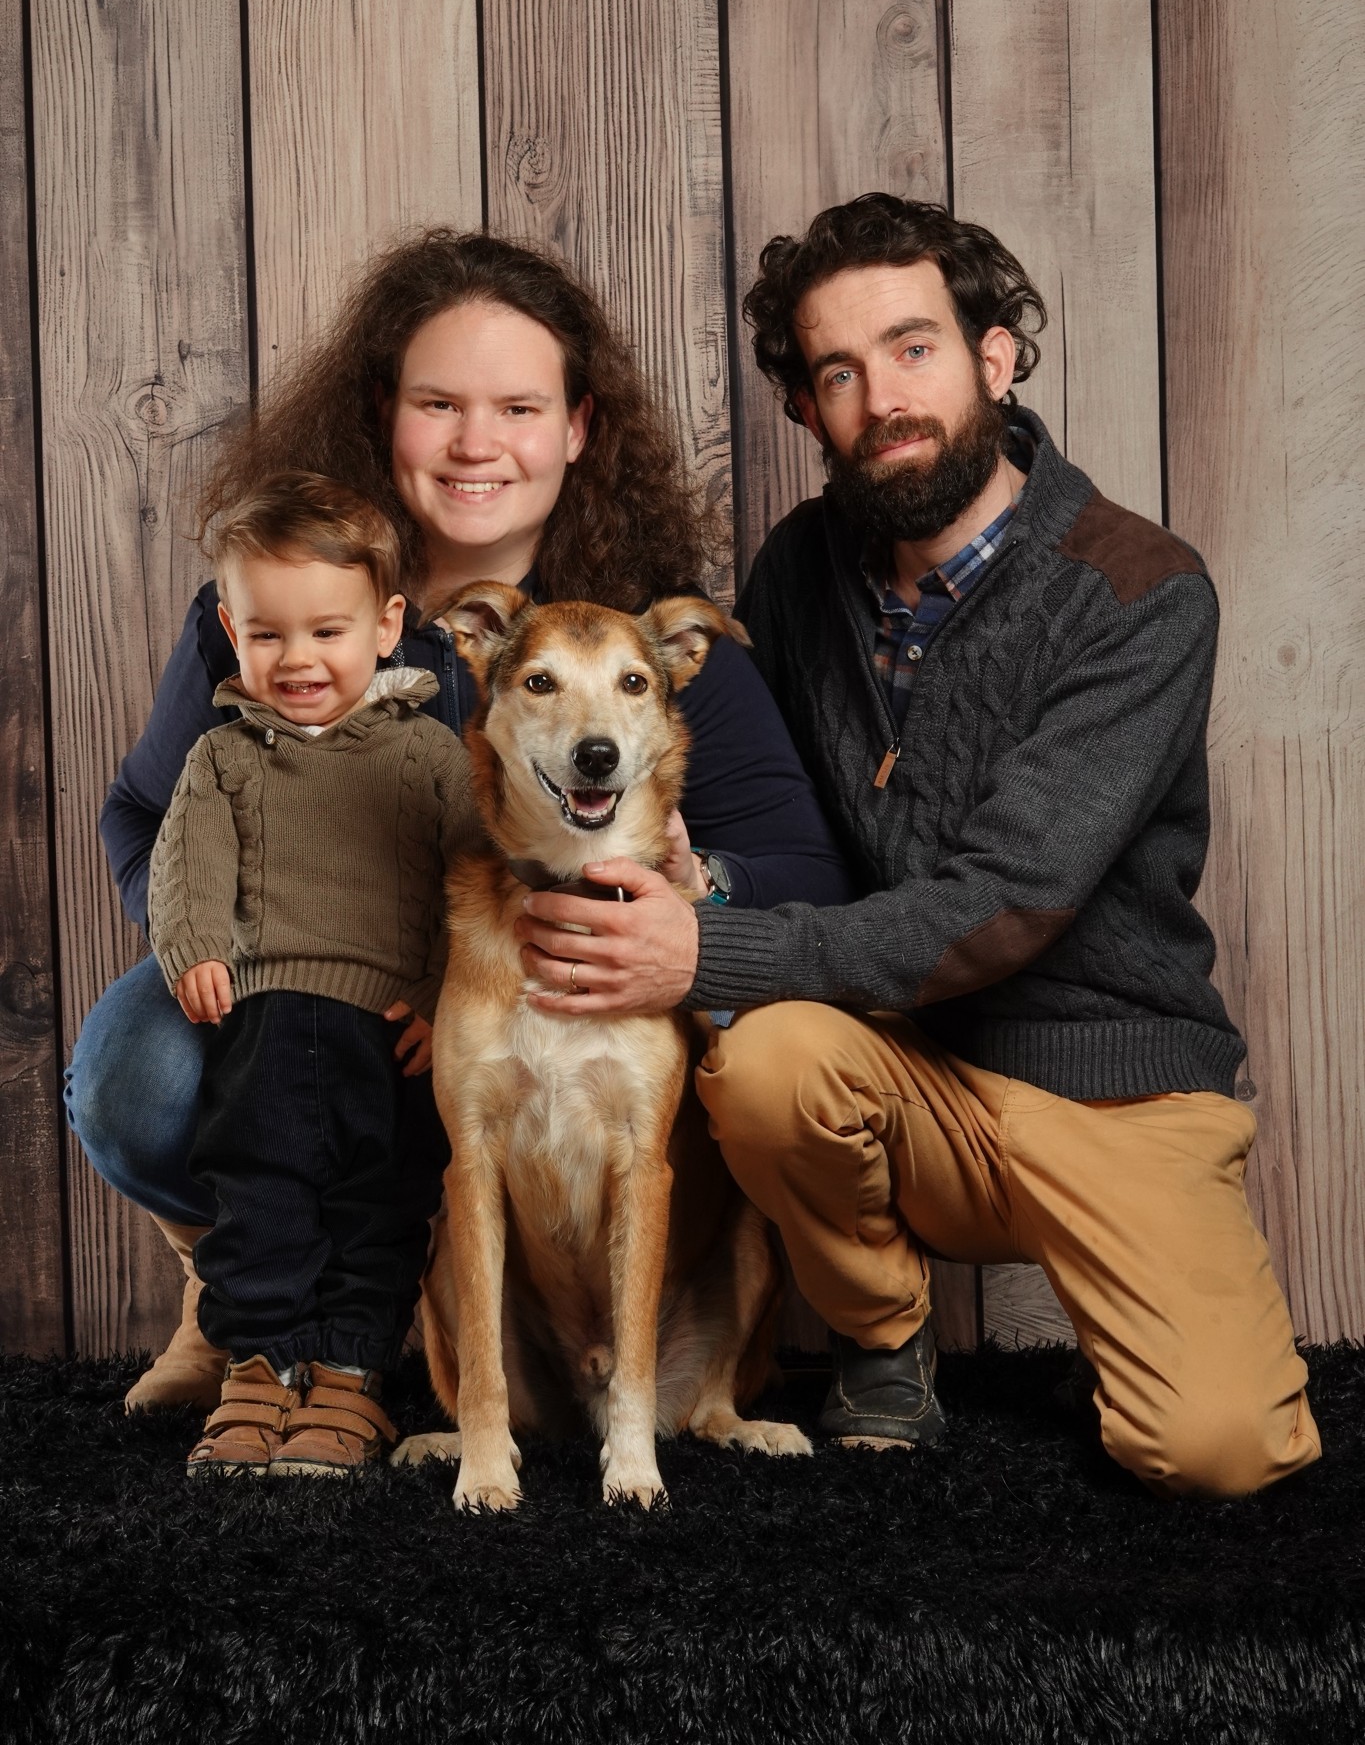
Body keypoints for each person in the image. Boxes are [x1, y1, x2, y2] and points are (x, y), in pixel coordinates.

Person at [514, 192, 1321, 1501]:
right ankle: (884, 1344)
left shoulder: (1138, 588)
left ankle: (1128, 1336)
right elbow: (769, 819)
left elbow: (1008, 899)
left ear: (994, 357)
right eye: (837, 371)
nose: (879, 396)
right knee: (765, 1060)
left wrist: (704, 943)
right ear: (807, 410)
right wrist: (680, 882)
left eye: (913, 348)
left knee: (1219, 1450)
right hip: (897, 1072)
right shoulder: (794, 575)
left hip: (1110, 1084)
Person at [68, 230, 851, 1417]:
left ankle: (493, 1338)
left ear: (579, 427)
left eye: (519, 406)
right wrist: (212, 946)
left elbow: (806, 874)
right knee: (136, 1068)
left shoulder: (634, 652)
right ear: (384, 413)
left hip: (524, 1021)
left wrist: (695, 888)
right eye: (439, 402)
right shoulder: (279, 605)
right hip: (314, 994)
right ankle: (242, 1309)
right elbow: (142, 811)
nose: (476, 442)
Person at [147, 473, 480, 1475]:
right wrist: (194, 943)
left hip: (389, 1025)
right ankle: (255, 1367)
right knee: (261, 1194)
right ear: (228, 626)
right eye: (267, 634)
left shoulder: (429, 754)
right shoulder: (226, 757)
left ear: (386, 627)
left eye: (326, 632)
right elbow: (183, 860)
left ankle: (348, 1377)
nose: (297, 660)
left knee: (380, 1202)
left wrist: (441, 995)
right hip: (265, 1019)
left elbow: (466, 886)